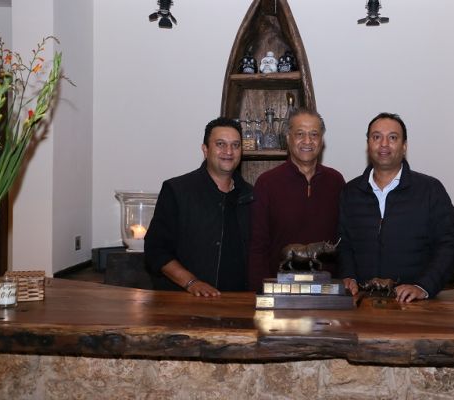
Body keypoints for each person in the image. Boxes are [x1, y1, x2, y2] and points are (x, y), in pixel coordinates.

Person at [338, 112, 454, 302]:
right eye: (376, 137)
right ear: (368, 145)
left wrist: (424, 286)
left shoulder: (430, 190)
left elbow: (451, 245)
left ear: (404, 146)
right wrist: (349, 276)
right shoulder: (351, 192)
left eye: (393, 138)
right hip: (362, 304)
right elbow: (343, 243)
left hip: (414, 306)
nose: (384, 144)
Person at [145, 117, 253, 296]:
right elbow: (156, 250)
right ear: (205, 149)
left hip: (239, 303)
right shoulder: (178, 190)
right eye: (220, 144)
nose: (228, 151)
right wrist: (191, 283)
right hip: (186, 302)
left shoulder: (250, 195)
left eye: (235, 145)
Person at [248, 109, 345, 290]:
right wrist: (258, 291)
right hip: (279, 290)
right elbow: (258, 246)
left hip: (326, 291)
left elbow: (344, 240)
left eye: (314, 134)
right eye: (300, 134)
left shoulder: (336, 181)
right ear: (288, 137)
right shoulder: (267, 182)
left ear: (322, 140)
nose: (307, 141)